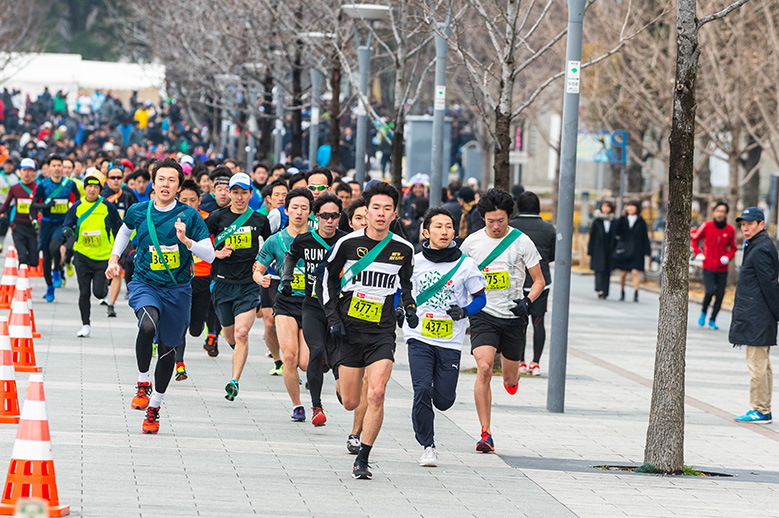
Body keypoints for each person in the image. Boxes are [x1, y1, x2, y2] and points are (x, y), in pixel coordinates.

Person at [106, 158, 214, 434]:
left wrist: (186, 241)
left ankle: (154, 406)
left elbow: (209, 254)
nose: (166, 185)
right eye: (161, 179)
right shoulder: (138, 211)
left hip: (178, 290)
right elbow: (125, 231)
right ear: (152, 184)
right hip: (145, 283)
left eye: (172, 180)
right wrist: (114, 258)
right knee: (147, 324)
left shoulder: (190, 216)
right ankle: (143, 382)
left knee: (168, 349)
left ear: (178, 186)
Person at [322, 181, 415, 480]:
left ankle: (363, 457)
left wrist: (408, 307)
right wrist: (333, 317)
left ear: (393, 213)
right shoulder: (347, 244)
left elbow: (407, 284)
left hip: (381, 331)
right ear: (366, 210)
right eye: (376, 208)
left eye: (387, 209)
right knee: (351, 401)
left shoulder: (404, 248)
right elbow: (327, 281)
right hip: (348, 329)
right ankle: (338, 375)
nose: (381, 213)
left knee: (376, 393)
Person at [460, 188, 545, 453]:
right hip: (483, 314)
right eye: (490, 221)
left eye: (501, 221)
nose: (496, 226)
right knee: (484, 368)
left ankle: (512, 379)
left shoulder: (522, 242)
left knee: (509, 377)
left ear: (509, 217)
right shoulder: (471, 244)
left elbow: (539, 281)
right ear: (482, 219)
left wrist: (527, 302)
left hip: (513, 315)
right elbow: (459, 276)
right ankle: (485, 434)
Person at [404, 208, 486, 467]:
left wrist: (464, 311)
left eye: (449, 226)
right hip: (418, 335)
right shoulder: (415, 261)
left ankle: (435, 417)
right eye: (438, 226)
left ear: (454, 232)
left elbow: (481, 298)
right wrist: (401, 310)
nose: (444, 231)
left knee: (443, 400)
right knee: (422, 390)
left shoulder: (466, 265)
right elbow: (401, 291)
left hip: (450, 340)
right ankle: (428, 445)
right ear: (426, 232)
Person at [282, 192, 347, 427]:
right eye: (325, 216)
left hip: (339, 308)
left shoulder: (346, 241)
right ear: (316, 216)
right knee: (316, 351)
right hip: (312, 305)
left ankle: (342, 385)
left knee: (338, 354)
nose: (330, 220)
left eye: (335, 216)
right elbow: (290, 257)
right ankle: (317, 406)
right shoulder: (304, 240)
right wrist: (286, 280)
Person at [206, 173, 270, 400]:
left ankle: (234, 381)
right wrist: (216, 253)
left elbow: (269, 248)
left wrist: (262, 265)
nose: (240, 197)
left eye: (244, 192)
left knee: (243, 333)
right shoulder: (216, 218)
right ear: (229, 194)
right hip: (223, 284)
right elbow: (200, 244)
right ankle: (237, 352)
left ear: (251, 194)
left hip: (248, 284)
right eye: (235, 192)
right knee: (230, 335)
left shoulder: (260, 221)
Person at [254, 187, 313, 419]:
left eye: (304, 208)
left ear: (311, 212)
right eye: (294, 207)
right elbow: (257, 270)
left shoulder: (320, 237)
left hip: (311, 303)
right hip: (286, 302)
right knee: (289, 356)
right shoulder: (275, 240)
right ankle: (297, 405)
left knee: (306, 363)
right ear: (286, 210)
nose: (299, 212)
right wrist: (262, 278)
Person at [730, 207, 779, 424]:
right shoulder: (758, 245)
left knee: (757, 365)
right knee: (762, 364)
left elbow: (769, 285)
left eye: (749, 224)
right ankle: (763, 408)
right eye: (742, 224)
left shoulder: (761, 248)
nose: (745, 228)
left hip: (758, 316)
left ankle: (760, 410)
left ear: (761, 224)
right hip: (757, 315)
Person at [62, 172, 122, 337]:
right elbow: (67, 223)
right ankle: (85, 324)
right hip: (82, 256)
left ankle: (105, 290)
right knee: (84, 292)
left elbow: (119, 227)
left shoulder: (108, 207)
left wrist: (121, 250)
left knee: (99, 293)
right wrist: (67, 230)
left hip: (103, 257)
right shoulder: (77, 207)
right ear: (85, 188)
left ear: (100, 190)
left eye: (96, 187)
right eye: (89, 187)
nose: (92, 190)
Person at [509, 191, 555, 376]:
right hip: (541, 282)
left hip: (517, 281)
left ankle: (519, 361)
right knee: (538, 322)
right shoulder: (549, 228)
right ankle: (535, 363)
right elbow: (553, 255)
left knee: (519, 323)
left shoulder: (511, 227)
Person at [31, 154, 81, 302]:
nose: (58, 168)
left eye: (60, 165)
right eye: (54, 166)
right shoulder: (43, 184)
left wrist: (73, 210)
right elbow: (33, 204)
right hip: (46, 223)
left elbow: (77, 197)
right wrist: (46, 206)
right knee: (46, 257)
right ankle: (49, 286)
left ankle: (57, 270)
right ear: (49, 168)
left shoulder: (69, 183)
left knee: (55, 247)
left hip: (62, 223)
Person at [175, 179, 210, 380]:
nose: (188, 205)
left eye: (192, 200)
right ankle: (179, 364)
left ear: (199, 201)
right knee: (181, 323)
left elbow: (212, 250)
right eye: (184, 200)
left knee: (196, 329)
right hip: (181, 280)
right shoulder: (172, 220)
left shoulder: (207, 220)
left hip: (203, 279)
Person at [257, 180, 289, 374]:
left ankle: (289, 360)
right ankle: (278, 360)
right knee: (269, 322)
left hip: (290, 279)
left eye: (285, 194)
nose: (281, 198)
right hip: (270, 275)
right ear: (270, 197)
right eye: (278, 194)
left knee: (283, 320)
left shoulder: (301, 214)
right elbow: (264, 240)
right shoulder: (276, 215)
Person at [692, 201, 736, 330]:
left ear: (726, 214)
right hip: (708, 266)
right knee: (710, 291)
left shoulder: (730, 230)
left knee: (720, 294)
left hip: (722, 268)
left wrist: (727, 257)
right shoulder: (707, 225)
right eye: (718, 211)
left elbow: (733, 248)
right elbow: (694, 239)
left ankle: (712, 319)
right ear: (714, 212)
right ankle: (703, 312)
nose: (720, 214)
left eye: (722, 211)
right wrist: (697, 253)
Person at [101, 162, 138, 317]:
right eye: (112, 177)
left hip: (123, 239)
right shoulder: (100, 195)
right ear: (107, 178)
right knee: (103, 275)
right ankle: (103, 291)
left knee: (117, 270)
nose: (116, 180)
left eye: (119, 177)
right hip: (103, 240)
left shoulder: (128, 194)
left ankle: (111, 304)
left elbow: (138, 213)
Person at [0, 158, 38, 267]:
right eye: (24, 170)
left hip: (32, 227)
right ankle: (22, 281)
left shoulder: (38, 188)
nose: (27, 173)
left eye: (30, 170)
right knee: (22, 257)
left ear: (34, 172)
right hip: (18, 225)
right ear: (20, 171)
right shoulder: (14, 188)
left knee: (34, 261)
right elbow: (6, 205)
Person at [611, 200, 651, 302]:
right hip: (624, 249)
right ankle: (622, 291)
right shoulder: (622, 220)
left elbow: (645, 237)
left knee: (635, 272)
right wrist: (621, 217)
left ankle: (636, 292)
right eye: (628, 206)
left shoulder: (641, 221)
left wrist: (647, 251)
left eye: (632, 206)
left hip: (637, 250)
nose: (630, 208)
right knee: (623, 272)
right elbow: (615, 230)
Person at [587, 200, 615, 299]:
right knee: (598, 270)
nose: (606, 209)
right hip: (598, 249)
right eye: (604, 207)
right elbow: (592, 236)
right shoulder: (597, 221)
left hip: (609, 249)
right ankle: (599, 289)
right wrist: (590, 250)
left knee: (607, 271)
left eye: (608, 207)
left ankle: (605, 290)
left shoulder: (614, 220)